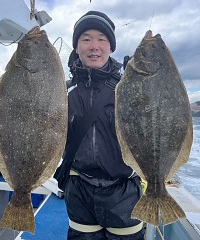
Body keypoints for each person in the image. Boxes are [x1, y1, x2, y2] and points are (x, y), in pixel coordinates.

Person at [57, 10, 145, 240]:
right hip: (79, 189)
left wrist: (141, 84)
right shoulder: (62, 91)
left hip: (123, 190)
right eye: (86, 39)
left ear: (111, 46)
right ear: (77, 47)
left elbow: (151, 123)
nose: (94, 46)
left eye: (101, 39)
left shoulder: (128, 87)